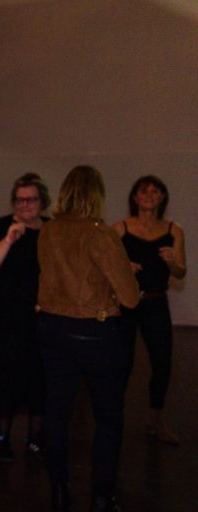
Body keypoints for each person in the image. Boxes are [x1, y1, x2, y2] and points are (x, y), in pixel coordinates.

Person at [37, 165, 139, 512]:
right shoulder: (101, 234)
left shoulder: (48, 231)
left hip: (52, 328)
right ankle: (101, 497)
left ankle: (59, 493)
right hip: (95, 331)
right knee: (108, 417)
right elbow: (130, 298)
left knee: (56, 414)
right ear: (97, 195)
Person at [0, 173, 51, 461]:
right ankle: (2, 438)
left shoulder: (52, 230)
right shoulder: (3, 226)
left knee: (40, 378)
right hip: (5, 319)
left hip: (41, 318)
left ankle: (36, 438)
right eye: (19, 200)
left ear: (42, 202)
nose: (24, 205)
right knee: (4, 377)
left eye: (30, 199)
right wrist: (8, 240)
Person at [114, 175, 186, 445]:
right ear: (135, 197)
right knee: (122, 364)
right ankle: (113, 418)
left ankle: (155, 421)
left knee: (162, 362)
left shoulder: (173, 230)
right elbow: (105, 264)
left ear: (162, 197)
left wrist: (173, 261)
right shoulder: (120, 228)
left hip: (156, 302)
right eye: (144, 192)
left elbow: (181, 272)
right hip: (127, 303)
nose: (149, 196)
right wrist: (124, 266)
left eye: (155, 192)